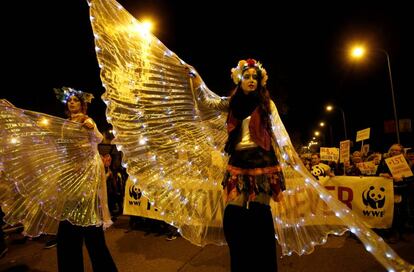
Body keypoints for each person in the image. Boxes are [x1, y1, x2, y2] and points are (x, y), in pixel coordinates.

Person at [191, 59, 283, 272]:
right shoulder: (232, 102)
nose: (251, 80)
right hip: (238, 162)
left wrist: (286, 157)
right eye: (247, 77)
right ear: (239, 80)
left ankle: (263, 265)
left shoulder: (267, 104)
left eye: (255, 77)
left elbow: (278, 132)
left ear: (260, 82)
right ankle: (241, 263)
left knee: (260, 215)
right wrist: (197, 81)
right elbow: (208, 102)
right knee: (233, 216)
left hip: (263, 162)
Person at [54, 87, 118, 272]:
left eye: (75, 100)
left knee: (90, 224)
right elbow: (63, 146)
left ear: (82, 104)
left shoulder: (86, 120)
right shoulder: (65, 123)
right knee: (69, 222)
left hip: (86, 173)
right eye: (70, 100)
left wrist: (91, 128)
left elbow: (98, 139)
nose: (72, 103)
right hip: (70, 172)